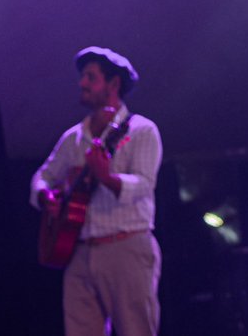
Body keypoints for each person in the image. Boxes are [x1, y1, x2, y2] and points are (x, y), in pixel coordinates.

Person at [32, 47, 163, 336]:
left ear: (113, 84)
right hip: (78, 251)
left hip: (125, 248)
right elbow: (43, 176)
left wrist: (108, 178)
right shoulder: (73, 138)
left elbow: (144, 184)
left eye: (90, 77)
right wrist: (46, 196)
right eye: (82, 77)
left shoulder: (142, 131)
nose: (82, 83)